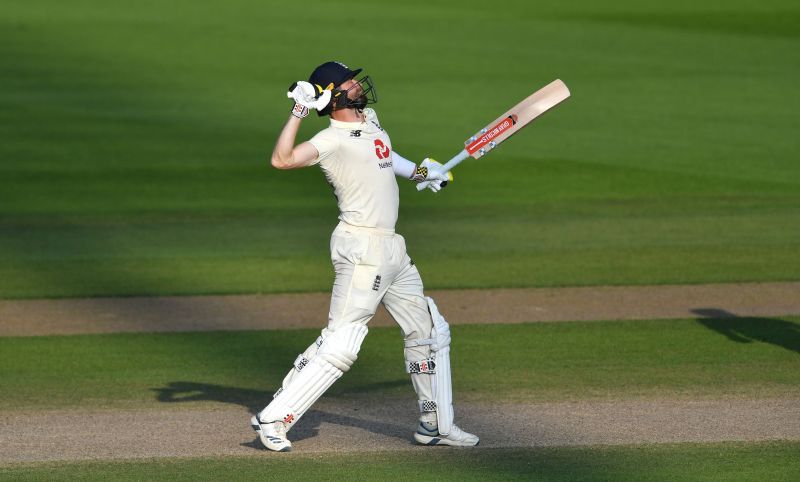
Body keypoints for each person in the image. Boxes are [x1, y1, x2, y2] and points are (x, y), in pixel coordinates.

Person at [250, 61, 479, 452]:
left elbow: (386, 158)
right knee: (343, 342)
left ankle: (435, 425)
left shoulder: (370, 122)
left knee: (428, 332)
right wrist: (299, 112)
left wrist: (425, 172)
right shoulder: (331, 140)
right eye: (348, 82)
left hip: (392, 248)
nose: (358, 84)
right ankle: (274, 419)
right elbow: (281, 159)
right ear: (332, 96)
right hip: (362, 250)